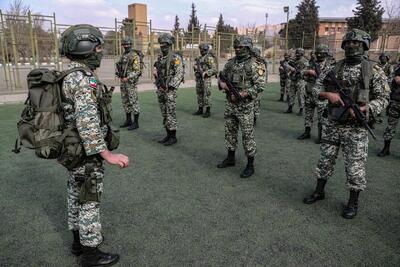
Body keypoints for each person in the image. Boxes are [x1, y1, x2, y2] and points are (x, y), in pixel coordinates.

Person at [59, 24, 129, 266]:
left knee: (75, 194)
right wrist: (107, 154)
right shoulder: (83, 79)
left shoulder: (69, 74)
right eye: (98, 47)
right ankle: (91, 255)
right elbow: (87, 121)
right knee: (89, 199)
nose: (101, 52)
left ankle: (78, 242)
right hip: (85, 152)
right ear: (86, 49)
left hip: (71, 149)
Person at [303, 29, 389, 219]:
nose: (351, 46)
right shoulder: (333, 68)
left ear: (364, 45)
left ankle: (353, 201)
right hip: (333, 123)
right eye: (348, 43)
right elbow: (316, 88)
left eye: (356, 43)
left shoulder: (374, 70)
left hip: (356, 128)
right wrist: (328, 95)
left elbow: (383, 98)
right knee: (325, 159)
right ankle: (319, 191)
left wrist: (366, 109)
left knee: (354, 167)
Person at [217, 36, 266, 178]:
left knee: (247, 135)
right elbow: (221, 78)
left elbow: (260, 86)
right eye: (236, 47)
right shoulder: (230, 63)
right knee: (230, 132)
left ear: (248, 48)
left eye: (241, 47)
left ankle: (250, 165)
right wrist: (222, 85)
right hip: (230, 105)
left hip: (245, 106)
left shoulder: (256, 64)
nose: (238, 50)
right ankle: (230, 158)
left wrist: (243, 94)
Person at [153, 33, 184, 146]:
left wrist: (170, 86)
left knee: (170, 112)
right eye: (161, 44)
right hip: (161, 88)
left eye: (165, 44)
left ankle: (173, 136)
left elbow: (179, 73)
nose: (162, 46)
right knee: (164, 113)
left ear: (170, 44)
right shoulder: (161, 57)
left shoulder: (176, 58)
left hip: (169, 90)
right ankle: (167, 134)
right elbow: (159, 70)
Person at [297, 44, 331, 143]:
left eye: (321, 53)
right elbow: (302, 74)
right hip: (309, 93)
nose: (319, 55)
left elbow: (329, 79)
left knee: (321, 117)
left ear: (325, 54)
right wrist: (308, 71)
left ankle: (321, 135)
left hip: (321, 95)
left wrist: (316, 74)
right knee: (308, 115)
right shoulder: (311, 63)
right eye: (318, 53)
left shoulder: (329, 65)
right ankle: (307, 132)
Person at [115, 37, 142, 130]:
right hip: (123, 81)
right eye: (124, 45)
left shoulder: (134, 56)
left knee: (133, 101)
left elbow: (137, 70)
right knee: (125, 101)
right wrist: (120, 75)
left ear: (131, 45)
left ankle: (136, 123)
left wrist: (128, 77)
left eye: (127, 44)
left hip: (130, 82)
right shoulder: (123, 55)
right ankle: (128, 120)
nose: (126, 46)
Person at [378, 65, 400, 157]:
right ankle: (386, 149)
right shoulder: (398, 68)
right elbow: (397, 79)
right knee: (391, 126)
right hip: (396, 102)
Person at [193, 43, 217, 118]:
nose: (202, 51)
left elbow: (214, 69)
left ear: (206, 50)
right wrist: (195, 67)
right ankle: (200, 109)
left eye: (203, 49)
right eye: (201, 49)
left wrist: (206, 73)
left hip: (206, 79)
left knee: (207, 94)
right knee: (199, 93)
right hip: (199, 79)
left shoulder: (209, 58)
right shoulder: (199, 58)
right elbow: (195, 66)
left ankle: (207, 111)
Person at [285, 48, 308, 115]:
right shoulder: (293, 60)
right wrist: (291, 68)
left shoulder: (305, 61)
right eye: (297, 53)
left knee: (300, 95)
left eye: (299, 54)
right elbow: (286, 64)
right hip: (293, 79)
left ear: (302, 54)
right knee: (291, 94)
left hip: (300, 80)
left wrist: (300, 71)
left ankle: (301, 109)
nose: (297, 55)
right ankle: (290, 107)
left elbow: (307, 69)